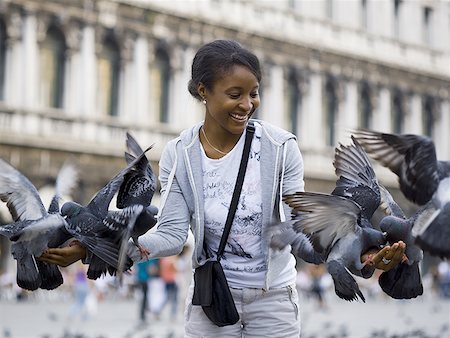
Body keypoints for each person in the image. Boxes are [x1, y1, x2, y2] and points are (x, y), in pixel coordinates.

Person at [39, 39, 406, 337]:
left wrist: (363, 259)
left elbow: (299, 232)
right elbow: (169, 233)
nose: (247, 105)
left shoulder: (280, 149)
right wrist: (97, 251)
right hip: (211, 301)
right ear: (204, 91)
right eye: (235, 94)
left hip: (274, 302)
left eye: (254, 93)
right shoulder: (180, 154)